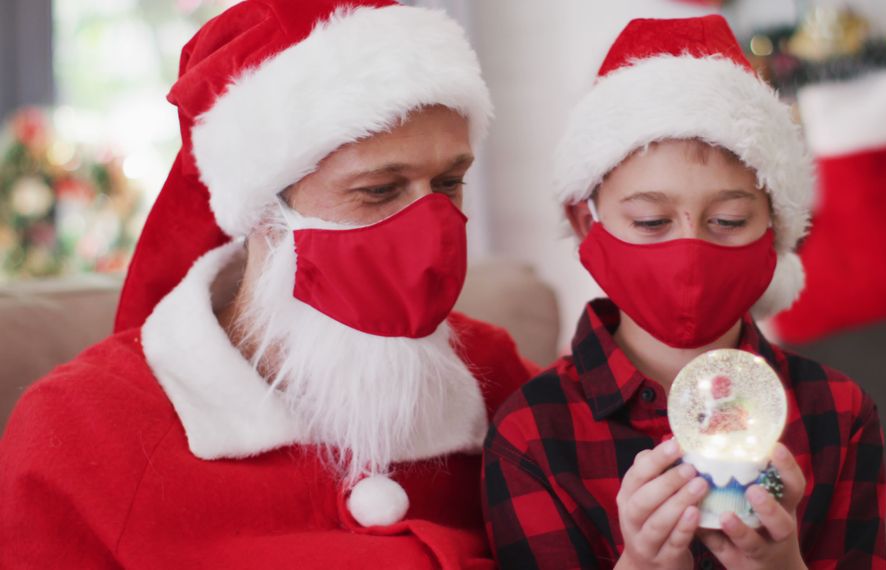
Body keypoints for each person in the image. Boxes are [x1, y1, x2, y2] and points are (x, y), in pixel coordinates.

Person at [0, 1, 535, 567]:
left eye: (449, 182)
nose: (430, 226)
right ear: (263, 213)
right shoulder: (82, 428)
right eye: (378, 190)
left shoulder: (494, 374)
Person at [483, 15, 886, 570]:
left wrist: (782, 565)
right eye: (651, 221)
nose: (690, 253)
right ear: (586, 223)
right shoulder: (532, 433)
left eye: (728, 219)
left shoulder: (838, 414)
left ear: (776, 228)